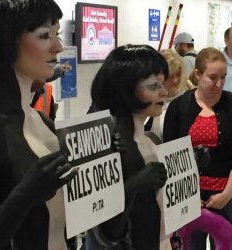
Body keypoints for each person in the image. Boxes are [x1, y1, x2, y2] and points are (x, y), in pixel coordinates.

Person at [0, 1, 78, 249]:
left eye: (57, 35)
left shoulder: (42, 121)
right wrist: (26, 194)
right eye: (45, 36)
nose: (58, 47)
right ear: (7, 42)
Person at [163, 47, 232, 249]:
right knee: (190, 245)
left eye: (223, 77)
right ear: (197, 75)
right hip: (188, 193)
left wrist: (227, 194)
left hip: (227, 192)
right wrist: (187, 194)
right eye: (212, 77)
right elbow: (171, 156)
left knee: (226, 241)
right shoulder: (179, 107)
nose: (219, 84)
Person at [85, 44, 170, 250]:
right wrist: (133, 186)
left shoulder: (149, 141)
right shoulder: (112, 144)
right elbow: (105, 230)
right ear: (126, 90)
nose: (164, 92)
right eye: (154, 86)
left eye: (162, 84)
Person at [148, 48, 193, 139]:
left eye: (178, 74)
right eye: (170, 76)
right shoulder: (149, 99)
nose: (175, 80)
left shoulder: (190, 98)